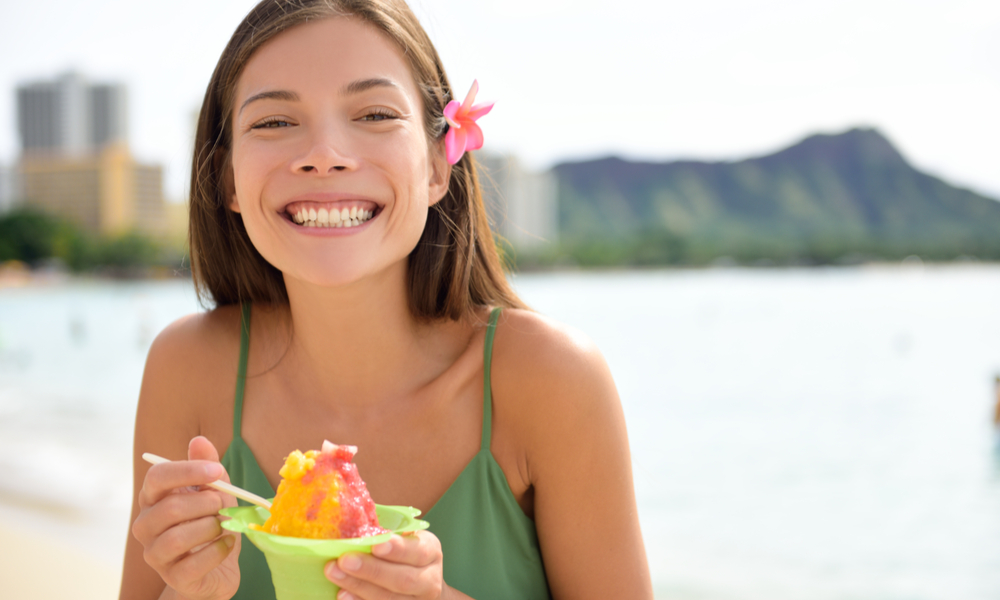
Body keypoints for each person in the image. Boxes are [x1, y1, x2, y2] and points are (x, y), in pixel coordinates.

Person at [119, 1, 652, 599]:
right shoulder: (187, 368)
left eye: (373, 113)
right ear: (226, 180)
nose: (325, 153)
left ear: (436, 166)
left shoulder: (552, 380)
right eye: (273, 122)